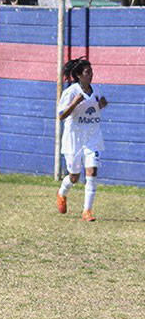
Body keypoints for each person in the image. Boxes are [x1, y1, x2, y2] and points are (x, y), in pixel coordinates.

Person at [56, 57, 107, 221]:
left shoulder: (96, 90)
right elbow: (61, 116)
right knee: (74, 176)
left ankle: (87, 211)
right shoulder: (70, 92)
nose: (91, 74)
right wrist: (74, 103)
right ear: (78, 75)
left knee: (92, 171)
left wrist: (101, 106)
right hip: (74, 139)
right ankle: (62, 192)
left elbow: (93, 109)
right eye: (87, 72)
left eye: (91, 71)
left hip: (92, 137)